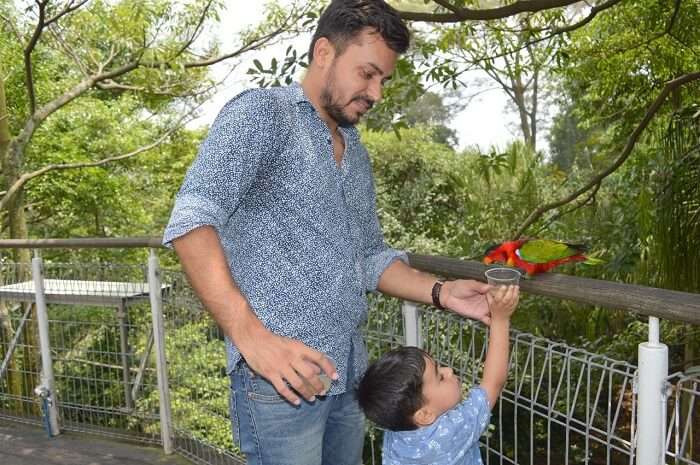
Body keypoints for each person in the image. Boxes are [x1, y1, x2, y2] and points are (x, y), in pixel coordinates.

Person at [163, 1, 494, 464]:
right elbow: (191, 221)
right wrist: (250, 336)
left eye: (383, 80)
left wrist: (441, 291)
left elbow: (370, 259)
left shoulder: (355, 153)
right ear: (324, 53)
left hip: (348, 375)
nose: (376, 92)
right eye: (367, 73)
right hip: (281, 384)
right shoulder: (262, 115)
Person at [357, 285, 519, 465]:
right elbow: (493, 382)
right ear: (424, 415)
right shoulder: (450, 432)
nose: (449, 371)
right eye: (440, 377)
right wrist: (500, 320)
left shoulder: (398, 434)